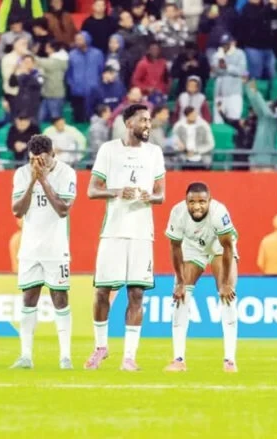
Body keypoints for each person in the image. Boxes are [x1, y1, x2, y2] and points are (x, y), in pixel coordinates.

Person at [85, 103, 166, 372]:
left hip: (142, 234)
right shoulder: (109, 150)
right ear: (128, 123)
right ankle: (101, 347)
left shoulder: (154, 152)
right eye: (143, 120)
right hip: (113, 232)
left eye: (149, 120)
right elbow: (92, 190)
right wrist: (118, 191)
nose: (148, 125)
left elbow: (161, 195)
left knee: (137, 294)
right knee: (102, 291)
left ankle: (129, 356)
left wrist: (148, 196)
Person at [10, 135, 77, 370]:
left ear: (53, 155)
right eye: (33, 160)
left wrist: (44, 180)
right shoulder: (22, 174)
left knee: (60, 299)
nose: (37, 164)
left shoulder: (67, 173)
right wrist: (32, 181)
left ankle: (65, 357)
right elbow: (17, 211)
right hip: (30, 249)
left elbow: (63, 209)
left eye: (42, 160)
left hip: (56, 248)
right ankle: (25, 356)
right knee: (28, 299)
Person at [164, 182, 239, 372]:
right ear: (186, 201)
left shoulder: (219, 213)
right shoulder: (177, 213)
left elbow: (228, 247)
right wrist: (180, 281)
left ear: (209, 201)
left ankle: (229, 360)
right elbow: (175, 247)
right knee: (181, 296)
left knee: (228, 295)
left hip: (219, 246)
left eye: (202, 202)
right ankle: (178, 359)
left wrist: (225, 283)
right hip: (192, 246)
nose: (197, 206)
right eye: (192, 202)